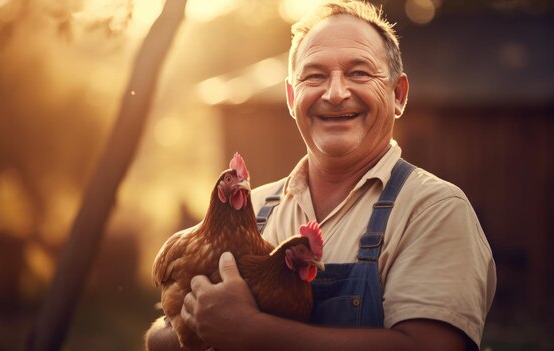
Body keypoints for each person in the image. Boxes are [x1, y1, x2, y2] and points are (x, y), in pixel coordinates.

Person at [148, 1, 496, 350]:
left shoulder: (432, 210)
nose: (335, 93)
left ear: (398, 95)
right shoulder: (251, 211)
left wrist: (251, 331)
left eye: (359, 73)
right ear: (290, 96)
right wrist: (195, 324)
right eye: (314, 76)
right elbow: (160, 336)